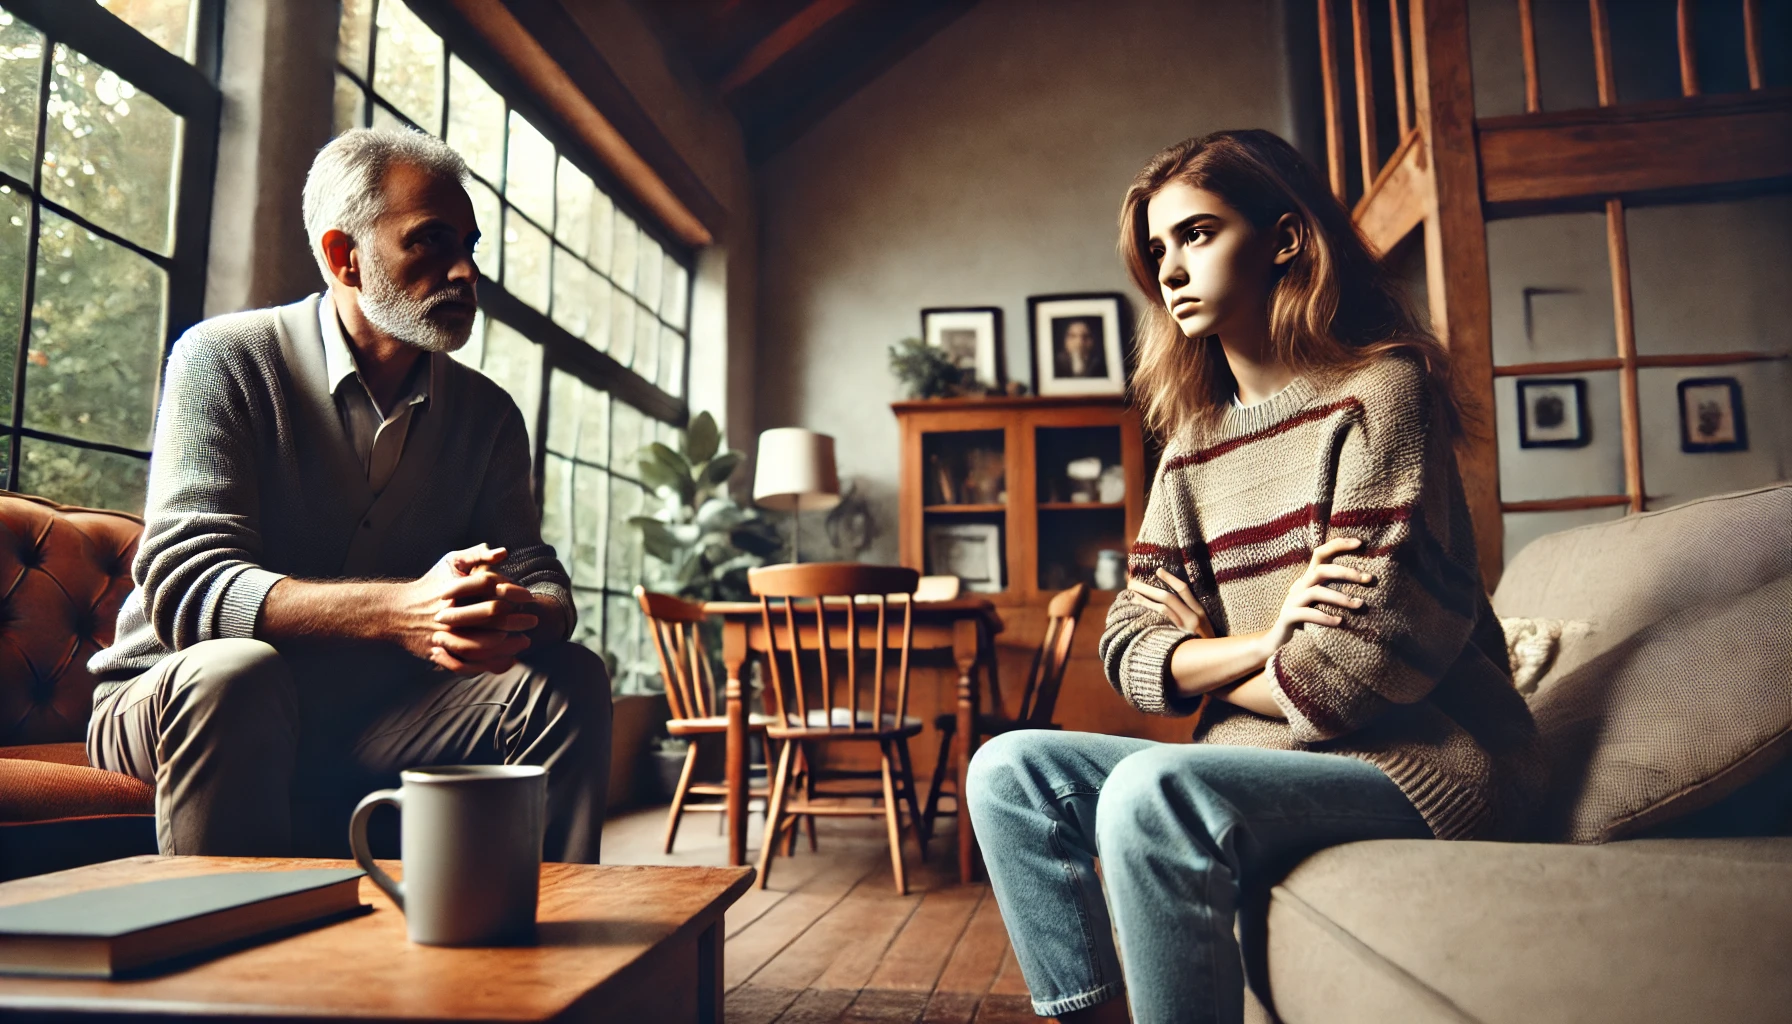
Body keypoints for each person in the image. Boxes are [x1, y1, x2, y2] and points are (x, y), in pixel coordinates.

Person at [966, 130, 1545, 1023]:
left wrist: (1203, 654)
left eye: (1197, 234)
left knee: (1154, 792)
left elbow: (1350, 678)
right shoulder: (1192, 447)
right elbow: (1129, 651)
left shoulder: (1384, 394)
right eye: (1156, 250)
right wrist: (1268, 642)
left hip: (1426, 763)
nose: (1169, 270)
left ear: (1284, 239)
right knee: (1007, 771)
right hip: (1253, 756)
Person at [86, 128, 612, 862]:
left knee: (569, 679)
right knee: (240, 672)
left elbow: (536, 571)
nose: (465, 271)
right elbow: (188, 589)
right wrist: (402, 613)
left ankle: (529, 956)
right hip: (177, 697)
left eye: (470, 245)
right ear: (344, 258)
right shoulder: (224, 359)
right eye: (430, 242)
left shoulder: (489, 415)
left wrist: (515, 613)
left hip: (373, 716)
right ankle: (230, 972)